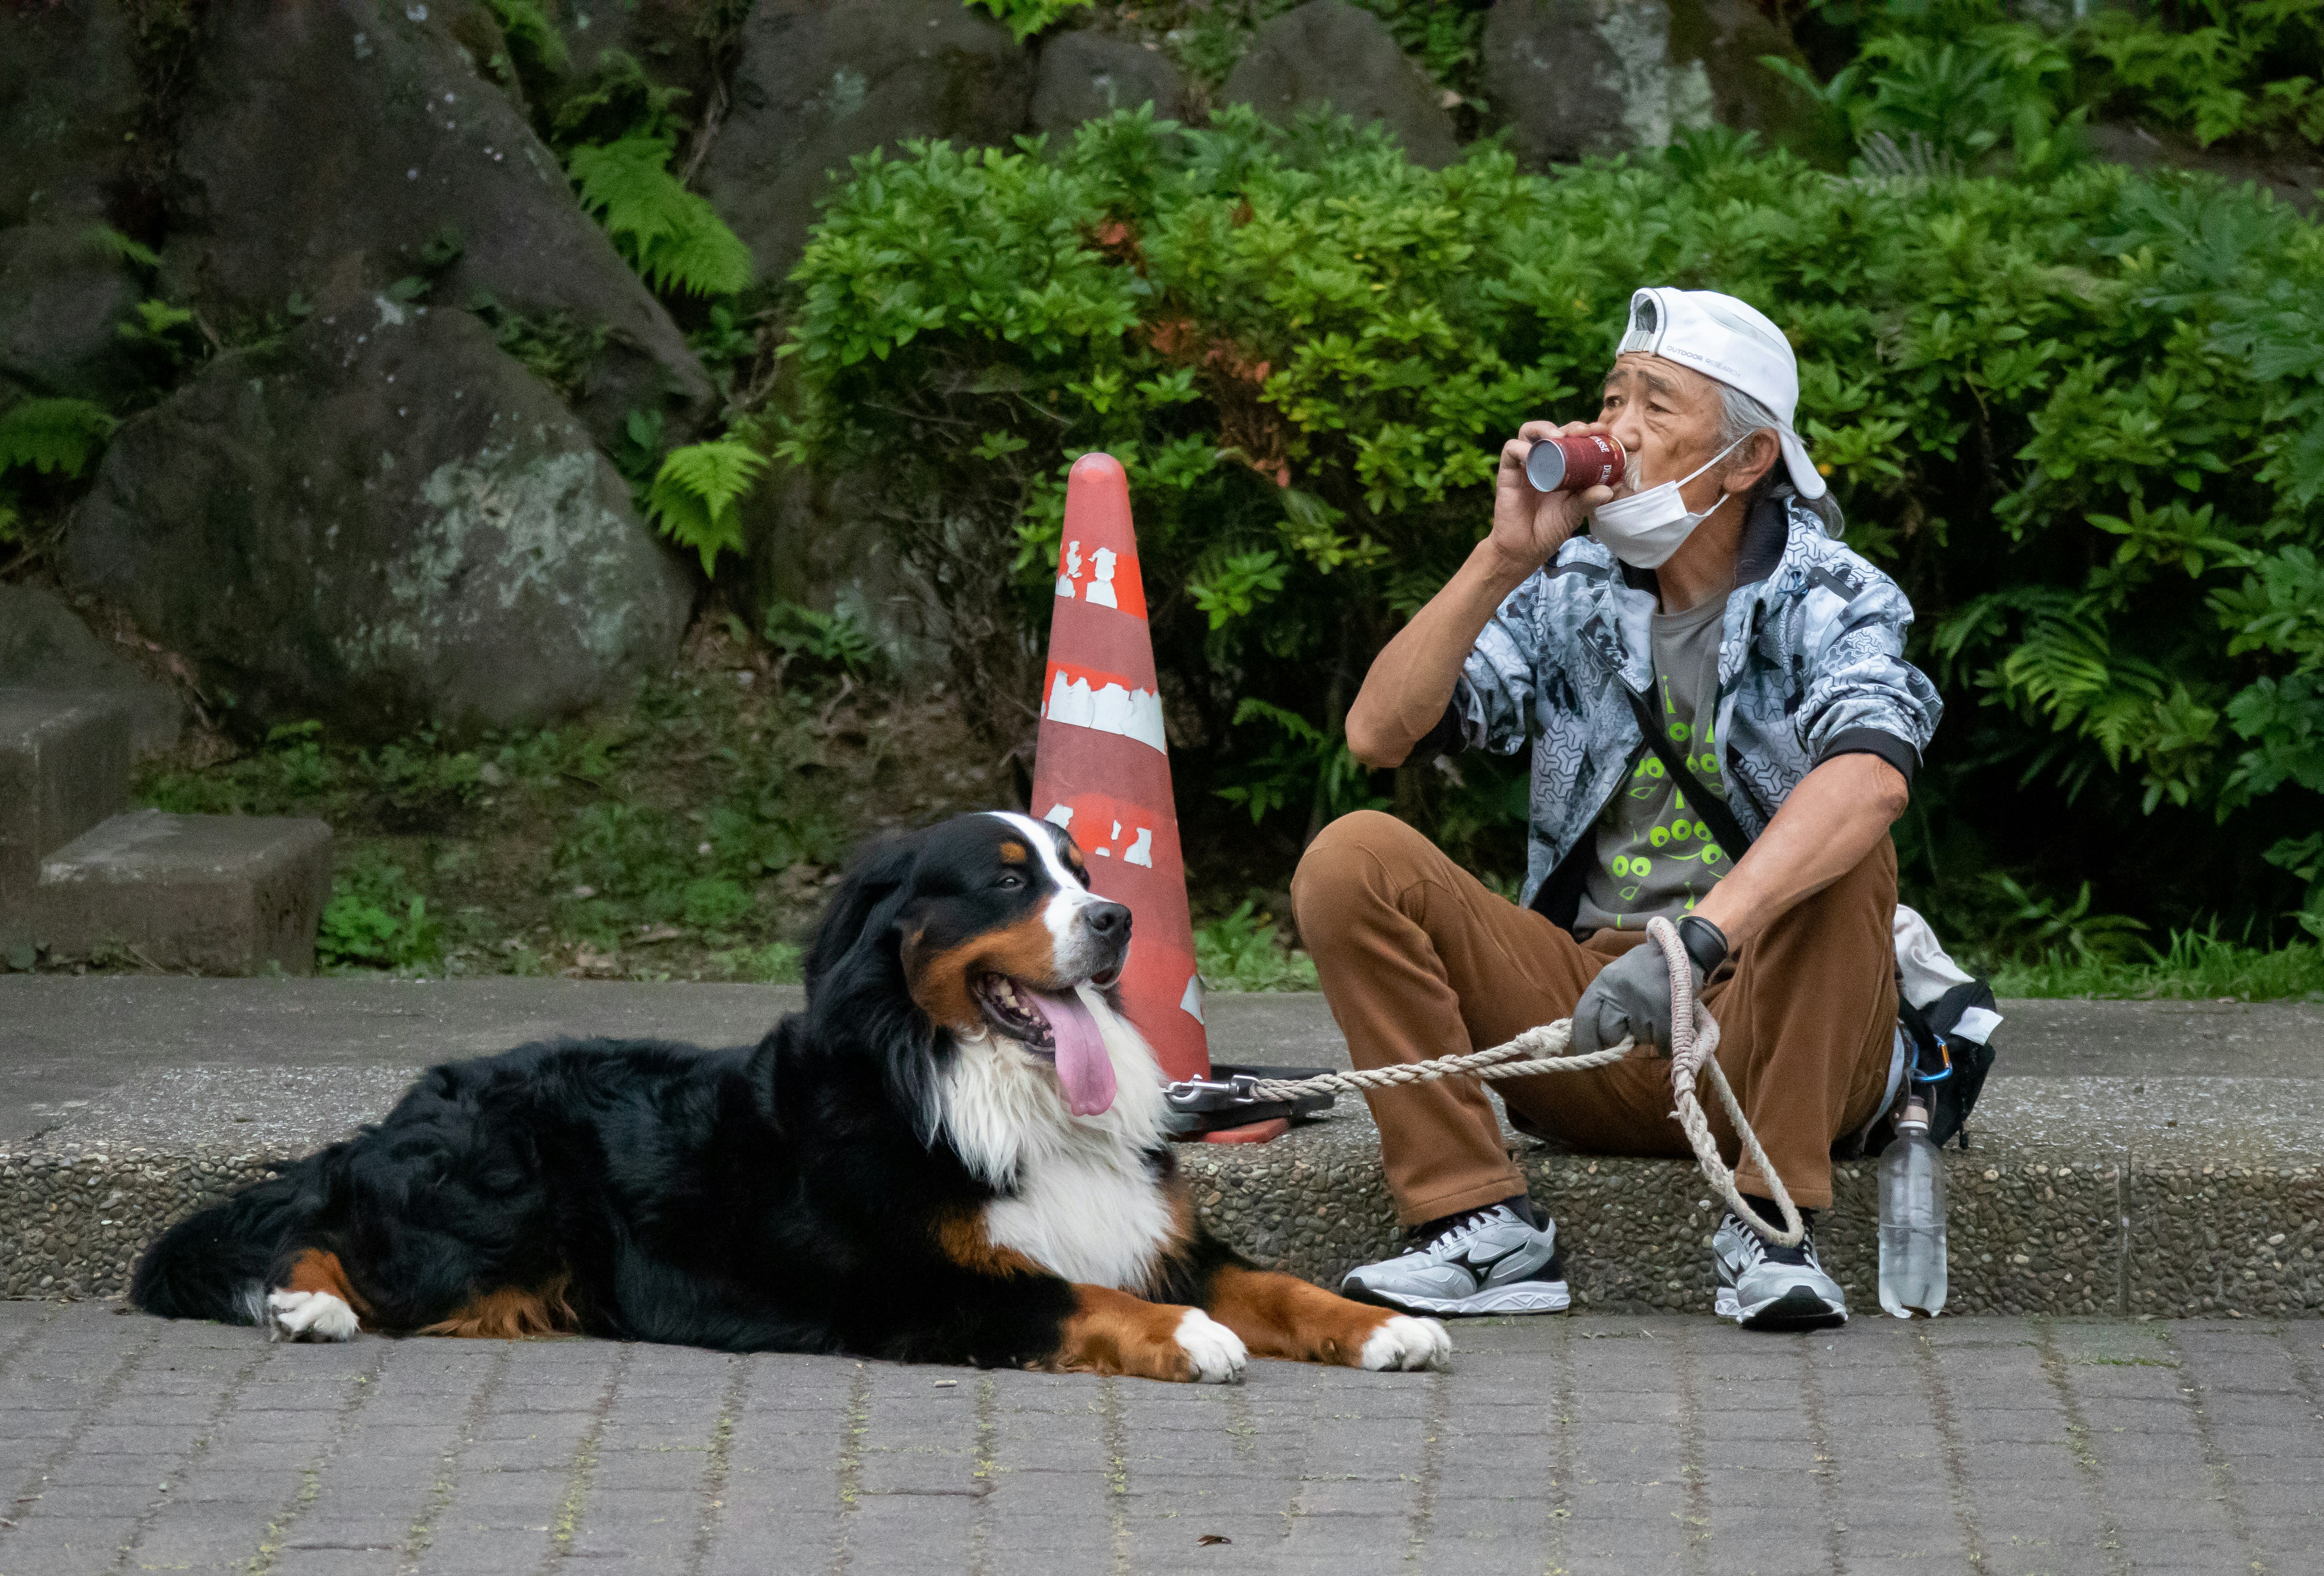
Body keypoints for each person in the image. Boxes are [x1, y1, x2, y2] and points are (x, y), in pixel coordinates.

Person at [1292, 288, 1943, 1331]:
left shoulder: (1832, 592)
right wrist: (1505, 554)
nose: (1613, 431)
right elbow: (1379, 735)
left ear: (1745, 461)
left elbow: (1873, 777)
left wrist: (1695, 939)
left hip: (1777, 1021)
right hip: (1597, 1020)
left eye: (1654, 407)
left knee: (1845, 838)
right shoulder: (1572, 590)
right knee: (1352, 855)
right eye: (1610, 398)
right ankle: (1479, 1223)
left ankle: (1773, 1224)